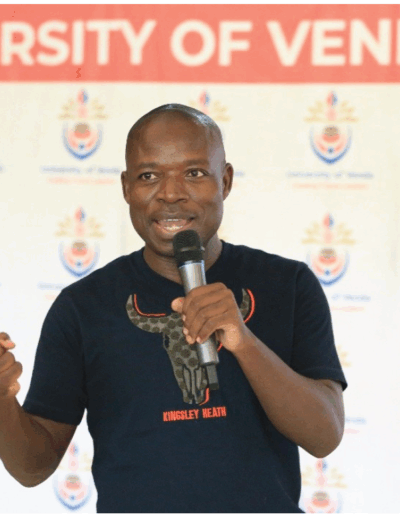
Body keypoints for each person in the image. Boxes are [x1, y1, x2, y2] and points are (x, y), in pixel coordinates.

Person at [0, 104, 347, 513]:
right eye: (149, 176)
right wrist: (1, 400)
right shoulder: (82, 308)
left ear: (225, 181)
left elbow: (324, 436)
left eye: (194, 173)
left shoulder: (287, 284)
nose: (170, 193)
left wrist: (244, 342)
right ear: (126, 188)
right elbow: (31, 468)